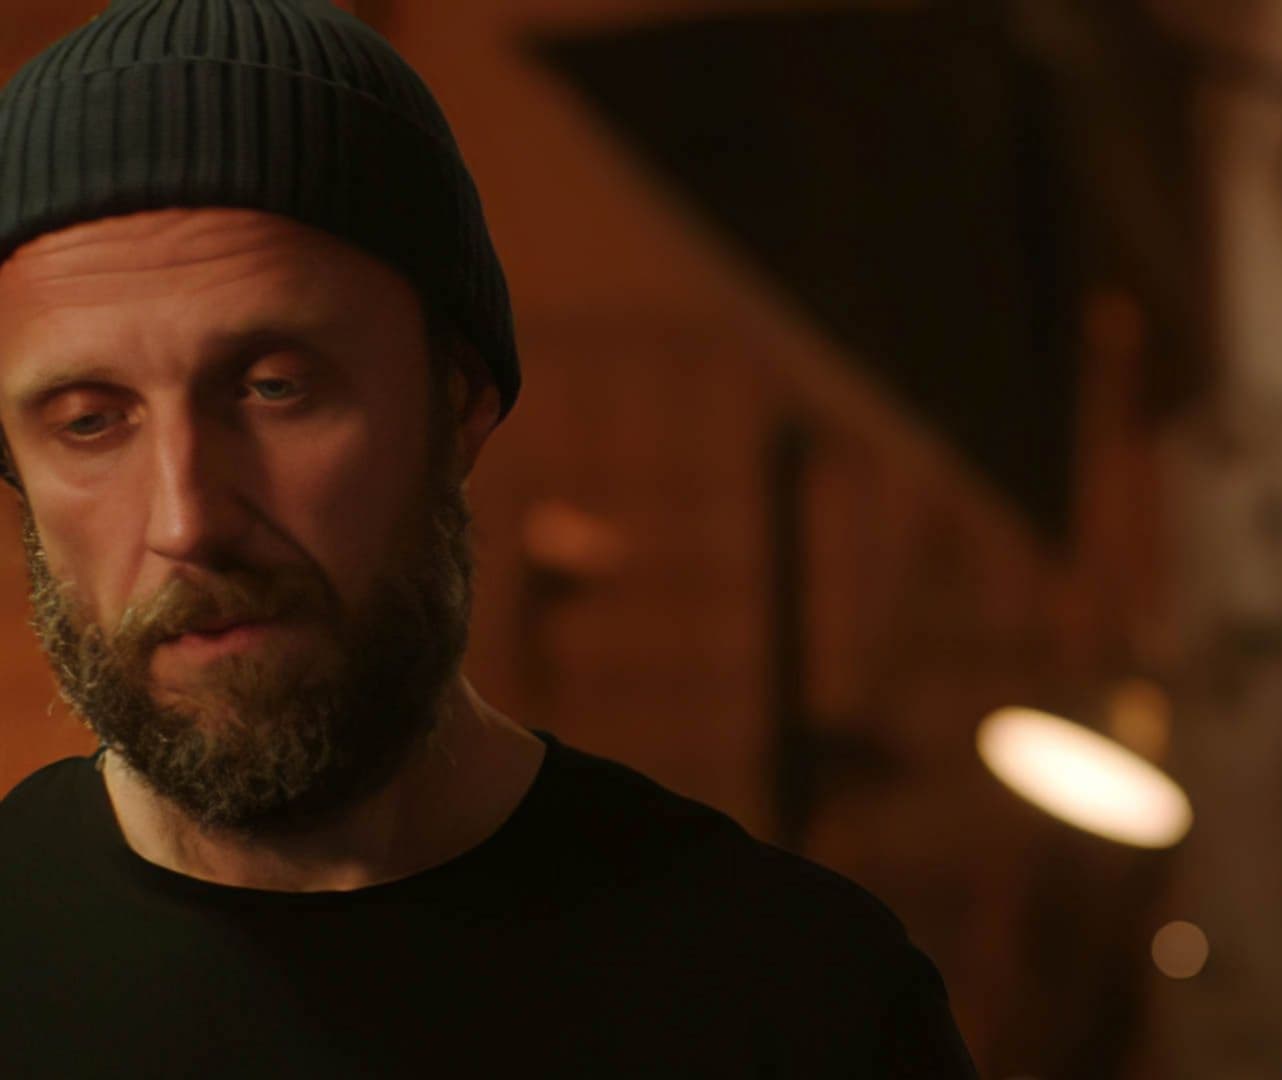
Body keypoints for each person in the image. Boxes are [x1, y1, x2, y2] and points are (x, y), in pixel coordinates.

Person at [0, 2, 977, 1077]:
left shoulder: (798, 1002)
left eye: (275, 388)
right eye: (89, 422)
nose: (187, 520)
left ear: (458, 399)